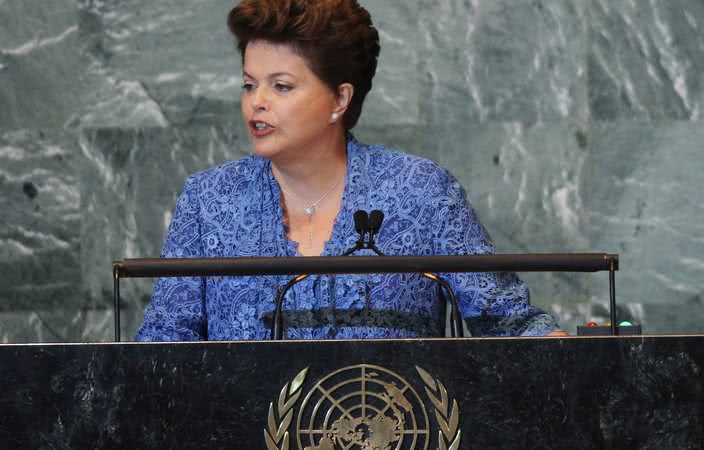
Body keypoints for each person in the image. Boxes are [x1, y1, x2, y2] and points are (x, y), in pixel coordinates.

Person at [135, 0, 565, 341]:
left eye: (281, 86)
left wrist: (589, 357)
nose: (256, 102)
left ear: (339, 100)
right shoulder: (209, 199)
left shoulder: (420, 191)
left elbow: (507, 321)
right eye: (249, 84)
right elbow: (165, 343)